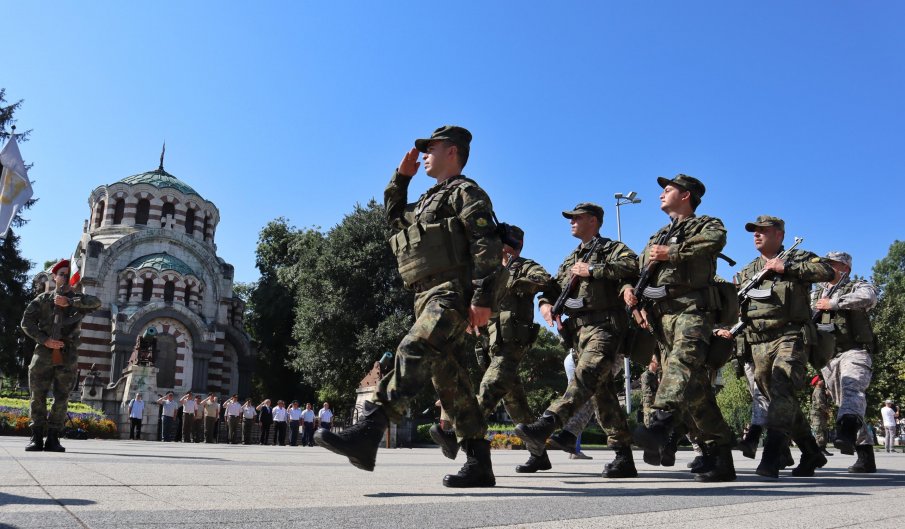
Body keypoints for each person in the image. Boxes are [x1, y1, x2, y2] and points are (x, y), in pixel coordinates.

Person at [316, 125, 504, 488]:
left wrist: (482, 298)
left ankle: (369, 431)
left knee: (414, 348)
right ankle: (480, 462)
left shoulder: (467, 193)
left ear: (452, 152)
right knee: (451, 382)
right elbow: (394, 217)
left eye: (430, 149)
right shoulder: (429, 200)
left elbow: (487, 244)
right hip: (424, 295)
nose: (424, 155)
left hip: (451, 293)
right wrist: (401, 180)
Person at [625, 174, 736, 482]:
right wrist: (629, 292)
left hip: (692, 311)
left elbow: (716, 241)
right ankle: (721, 455)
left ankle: (659, 425)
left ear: (686, 195)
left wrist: (671, 253)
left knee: (681, 365)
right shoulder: (655, 236)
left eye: (668, 189)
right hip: (661, 319)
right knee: (697, 392)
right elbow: (636, 269)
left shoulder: (706, 225)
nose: (662, 193)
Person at [517, 202, 640, 479]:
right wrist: (546, 304)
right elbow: (552, 287)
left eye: (577, 217)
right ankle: (624, 457)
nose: (571, 222)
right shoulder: (571, 259)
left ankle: (548, 423)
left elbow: (633, 265)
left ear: (594, 221)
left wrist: (593, 270)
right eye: (571, 218)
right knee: (603, 394)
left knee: (584, 377)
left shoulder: (611, 249)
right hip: (579, 334)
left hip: (606, 328)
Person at [430, 224, 556, 468]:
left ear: (513, 246)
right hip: (491, 345)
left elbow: (544, 281)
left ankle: (456, 435)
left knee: (488, 390)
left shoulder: (524, 266)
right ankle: (539, 455)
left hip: (513, 344)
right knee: (515, 404)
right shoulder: (488, 272)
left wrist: (511, 280)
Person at [728, 215, 834, 479]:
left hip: (791, 335)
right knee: (779, 400)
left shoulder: (798, 257)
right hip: (758, 341)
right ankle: (811, 451)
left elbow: (828, 273)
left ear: (779, 234)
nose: (756, 235)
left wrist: (787, 268)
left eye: (763, 230)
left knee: (783, 386)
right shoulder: (748, 271)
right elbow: (739, 309)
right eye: (754, 231)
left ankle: (772, 455)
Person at [20, 259, 101, 452]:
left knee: (62, 397)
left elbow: (96, 303)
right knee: (37, 395)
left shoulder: (78, 299)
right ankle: (37, 437)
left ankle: (53, 438)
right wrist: (45, 340)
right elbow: (26, 322)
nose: (64, 277)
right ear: (55, 277)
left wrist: (69, 302)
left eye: (68, 274)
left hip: (68, 354)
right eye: (61, 274)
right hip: (43, 353)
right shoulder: (43, 300)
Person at [813, 251, 879, 473]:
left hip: (855, 351)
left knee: (852, 391)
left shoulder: (856, 286)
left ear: (845, 268)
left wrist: (834, 303)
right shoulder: (816, 294)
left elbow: (869, 297)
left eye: (834, 264)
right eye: (827, 264)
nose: (828, 267)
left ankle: (847, 434)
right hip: (829, 357)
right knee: (846, 404)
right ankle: (866, 457)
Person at [808, 376, 833, 457]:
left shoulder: (821, 391)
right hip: (817, 415)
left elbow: (824, 401)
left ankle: (822, 449)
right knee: (819, 431)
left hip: (821, 414)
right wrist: (828, 411)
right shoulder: (818, 391)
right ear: (817, 383)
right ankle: (819, 450)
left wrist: (827, 395)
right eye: (820, 380)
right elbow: (820, 403)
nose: (822, 380)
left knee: (824, 431)